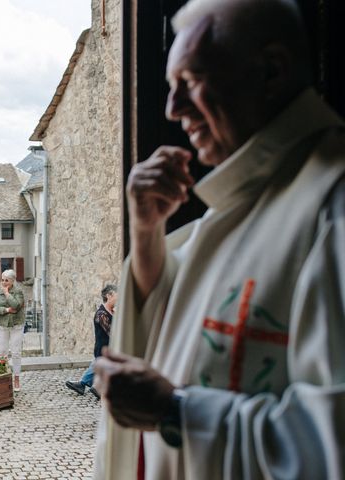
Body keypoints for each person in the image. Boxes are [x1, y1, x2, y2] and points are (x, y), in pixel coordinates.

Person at [93, 1, 345, 479]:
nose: (173, 109)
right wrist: (147, 231)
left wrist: (176, 412)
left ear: (272, 70)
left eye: (190, 82)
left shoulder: (332, 204)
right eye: (170, 88)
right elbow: (176, 315)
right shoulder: (245, 204)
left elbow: (332, 444)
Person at [65, 284, 116, 399]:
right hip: (103, 346)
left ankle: (89, 386)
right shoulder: (101, 314)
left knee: (101, 366)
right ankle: (90, 386)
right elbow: (111, 331)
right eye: (116, 296)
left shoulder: (112, 311)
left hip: (110, 347)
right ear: (109, 296)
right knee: (99, 365)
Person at [0, 269, 25, 392]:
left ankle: (16, 379)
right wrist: (6, 310)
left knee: (16, 352)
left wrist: (7, 294)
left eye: (7, 280)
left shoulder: (18, 291)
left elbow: (16, 305)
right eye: (2, 280)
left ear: (12, 281)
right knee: (2, 352)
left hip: (16, 325)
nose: (4, 282)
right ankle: (2, 378)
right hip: (2, 325)